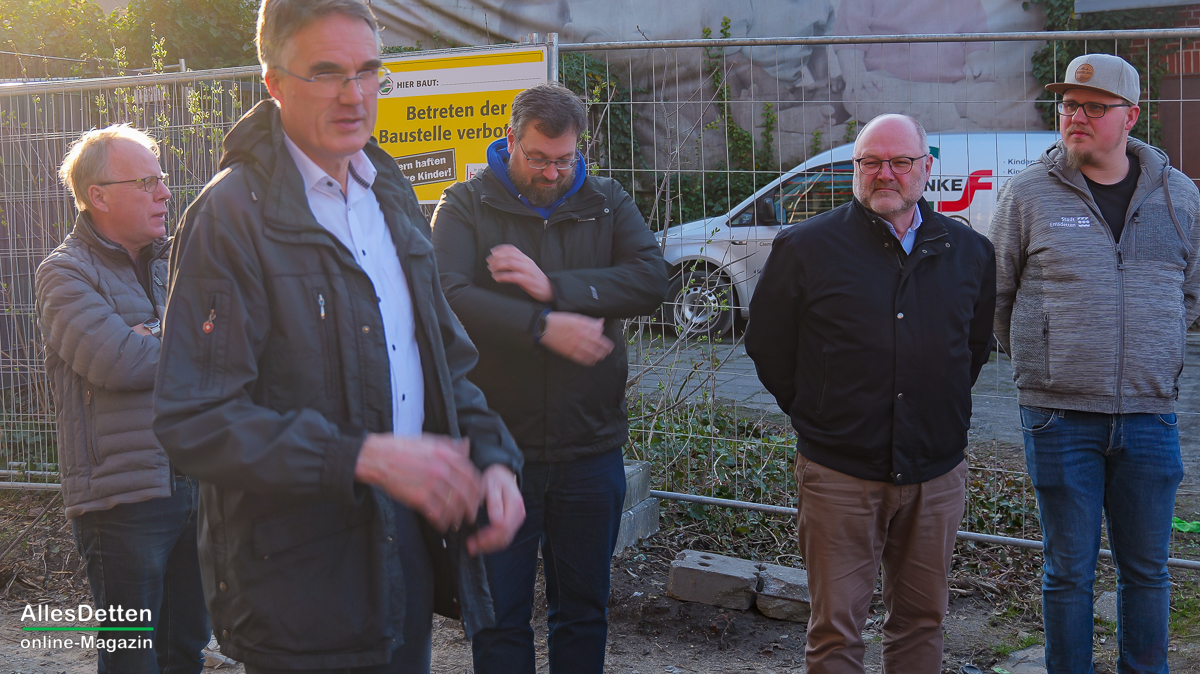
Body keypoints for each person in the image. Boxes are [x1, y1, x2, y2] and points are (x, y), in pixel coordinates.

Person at [151, 1, 525, 672]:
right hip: (295, 580)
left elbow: (442, 363)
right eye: (326, 72)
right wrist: (361, 458)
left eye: (368, 71)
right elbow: (196, 419)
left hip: (402, 552)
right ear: (273, 82)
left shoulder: (390, 193)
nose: (354, 95)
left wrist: (493, 457)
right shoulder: (231, 217)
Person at [430, 82, 669, 674]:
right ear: (510, 139)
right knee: (497, 615)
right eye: (538, 158)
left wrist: (553, 288)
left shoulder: (606, 200)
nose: (553, 173)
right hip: (496, 448)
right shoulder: (465, 204)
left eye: (565, 159)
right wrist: (540, 327)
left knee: (584, 611)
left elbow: (652, 280)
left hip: (590, 445)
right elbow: (445, 297)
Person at [745, 113, 996, 673]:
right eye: (870, 162)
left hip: (935, 474)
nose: (885, 173)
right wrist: (820, 412)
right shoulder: (806, 247)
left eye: (900, 162)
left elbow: (973, 349)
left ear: (925, 168)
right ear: (854, 169)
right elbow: (767, 344)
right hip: (840, 473)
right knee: (835, 630)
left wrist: (933, 405)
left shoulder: (969, 251)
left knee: (922, 622)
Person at [991, 53, 1200, 673]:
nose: (1075, 116)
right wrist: (1046, 358)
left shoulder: (1180, 197)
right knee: (1067, 572)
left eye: (1093, 107)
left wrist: (1152, 348)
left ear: (1130, 117)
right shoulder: (1027, 193)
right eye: (1068, 105)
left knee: (1148, 572)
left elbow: (1190, 295)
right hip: (1058, 417)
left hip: (1150, 416)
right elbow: (998, 295)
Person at [35, 124, 209, 674]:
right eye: (146, 183)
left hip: (197, 483)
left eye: (162, 180)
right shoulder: (63, 273)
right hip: (123, 501)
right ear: (99, 196)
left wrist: (153, 333)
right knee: (131, 657)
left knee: (185, 649)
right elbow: (118, 361)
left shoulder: (178, 262)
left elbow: (231, 341)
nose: (165, 193)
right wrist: (189, 337)